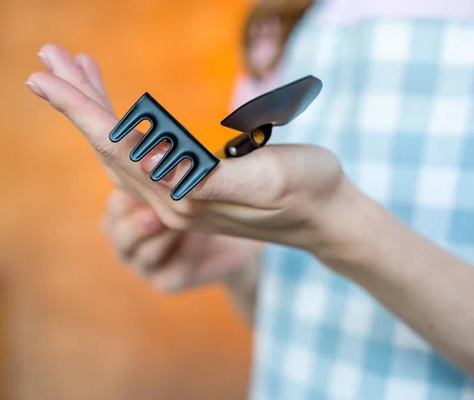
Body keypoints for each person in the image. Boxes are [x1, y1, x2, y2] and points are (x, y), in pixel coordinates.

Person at [25, 0, 474, 397]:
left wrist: (336, 226)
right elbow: (288, 314)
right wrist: (237, 260)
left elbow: (320, 219)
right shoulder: (280, 25)